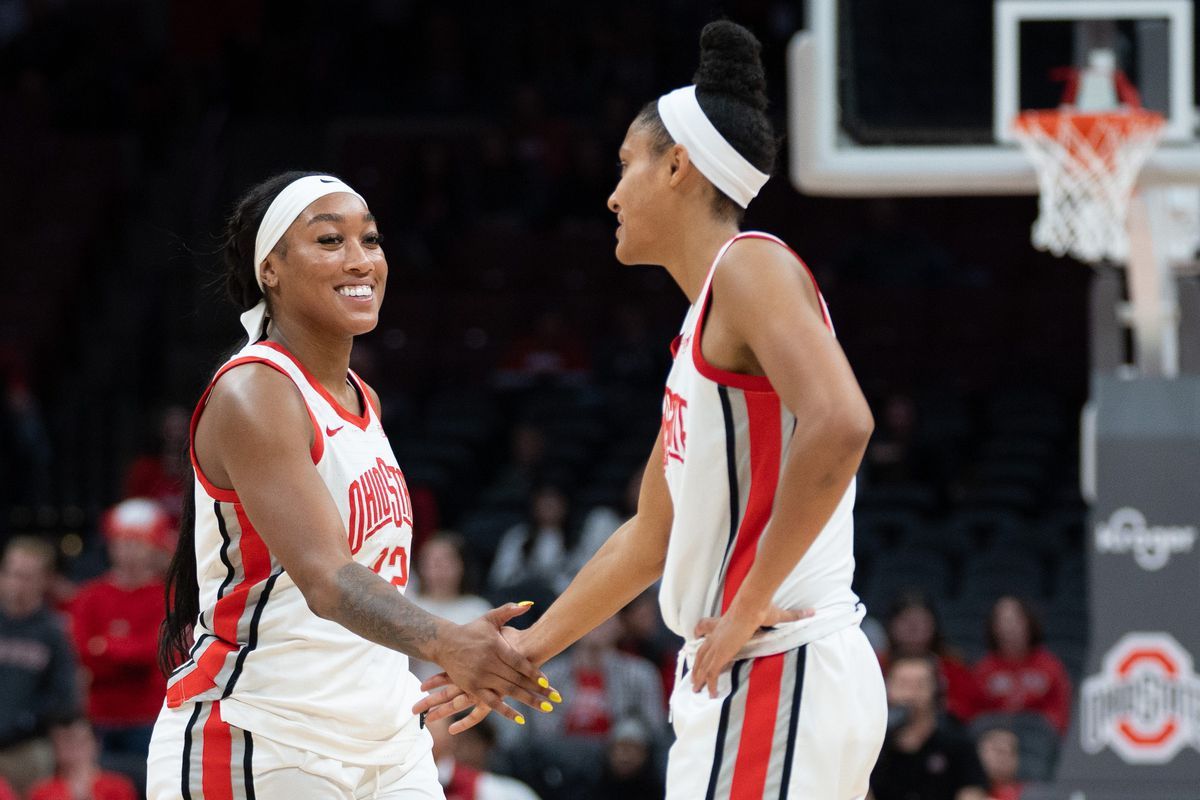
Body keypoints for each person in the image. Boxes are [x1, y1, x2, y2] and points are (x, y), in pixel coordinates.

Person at [418, 21, 886, 798]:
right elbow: (650, 534)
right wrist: (530, 648)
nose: (611, 192)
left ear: (678, 166)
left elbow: (846, 423)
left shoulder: (750, 264)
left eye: (626, 165)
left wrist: (746, 604)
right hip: (750, 672)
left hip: (776, 661)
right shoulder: (701, 325)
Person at [146, 172, 557, 799]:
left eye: (371, 239)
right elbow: (327, 578)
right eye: (330, 240)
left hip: (387, 737)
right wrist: (449, 639)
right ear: (271, 270)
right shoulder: (254, 392)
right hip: (266, 736)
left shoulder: (361, 397)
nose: (361, 259)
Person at [69, 498, 173, 792]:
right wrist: (126, 652)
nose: (128, 551)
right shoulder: (91, 596)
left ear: (154, 547)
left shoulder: (168, 596)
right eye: (122, 542)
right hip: (100, 718)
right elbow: (82, 652)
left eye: (137, 543)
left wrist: (107, 647)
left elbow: (155, 652)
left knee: (154, 788)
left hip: (149, 717)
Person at [0, 537, 80, 796]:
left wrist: (27, 719)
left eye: (26, 576)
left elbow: (64, 696)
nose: (15, 583)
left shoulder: (54, 632)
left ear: (45, 580)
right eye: (11, 573)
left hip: (27, 748)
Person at [869, 655, 988, 800]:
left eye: (920, 685)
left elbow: (972, 792)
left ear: (936, 689)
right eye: (903, 685)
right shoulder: (872, 744)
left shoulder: (958, 741)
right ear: (887, 689)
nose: (910, 694)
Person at [972, 596, 1071, 735]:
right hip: (996, 741)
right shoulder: (983, 670)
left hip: (1038, 742)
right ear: (994, 628)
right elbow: (976, 717)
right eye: (1003, 621)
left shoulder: (1050, 666)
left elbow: (1060, 717)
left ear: (1028, 623)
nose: (1009, 627)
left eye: (1015, 620)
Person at [881, 591, 979, 722]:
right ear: (892, 625)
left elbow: (970, 711)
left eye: (921, 621)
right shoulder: (875, 664)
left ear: (934, 625)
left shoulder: (954, 665)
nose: (913, 628)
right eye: (906, 621)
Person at [410, 533, 494, 681]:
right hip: (416, 694)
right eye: (432, 561)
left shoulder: (478, 608)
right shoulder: (408, 606)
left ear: (461, 565)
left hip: (467, 693)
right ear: (420, 566)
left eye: (446, 561)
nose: (439, 568)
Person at [427, 715, 540, 800]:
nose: (464, 751)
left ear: (487, 745)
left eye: (471, 742)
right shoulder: (424, 777)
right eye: (459, 742)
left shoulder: (505, 792)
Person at [28, 716, 137, 800]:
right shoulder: (42, 793)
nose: (74, 749)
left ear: (96, 743)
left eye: (80, 742)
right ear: (55, 747)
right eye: (66, 743)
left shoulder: (118, 787)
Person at [976, 726, 1023, 800]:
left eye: (1011, 751)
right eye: (997, 750)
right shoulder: (962, 792)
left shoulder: (1029, 793)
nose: (1004, 757)